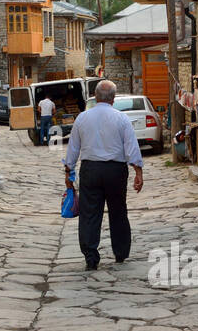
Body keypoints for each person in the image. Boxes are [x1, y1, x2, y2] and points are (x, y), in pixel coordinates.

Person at [62, 79, 144, 269]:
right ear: (113, 99)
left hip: (90, 170)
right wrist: (138, 172)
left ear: (96, 96)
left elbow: (73, 148)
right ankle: (121, 252)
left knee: (89, 213)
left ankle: (91, 257)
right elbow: (131, 147)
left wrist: (69, 172)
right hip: (115, 171)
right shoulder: (121, 118)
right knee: (118, 211)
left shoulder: (82, 118)